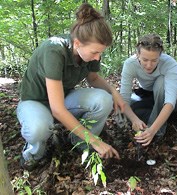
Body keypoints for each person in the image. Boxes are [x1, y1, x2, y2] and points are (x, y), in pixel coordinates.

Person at [17, 3, 125, 171]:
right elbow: (58, 109)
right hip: (35, 101)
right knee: (38, 129)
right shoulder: (54, 50)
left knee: (104, 99)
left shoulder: (90, 54)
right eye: (95, 52)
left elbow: (94, 79)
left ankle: (81, 143)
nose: (98, 57)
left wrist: (114, 92)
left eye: (101, 53)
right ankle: (33, 154)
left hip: (64, 97)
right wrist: (97, 141)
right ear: (77, 43)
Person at [120, 33, 177, 147]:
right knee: (127, 108)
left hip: (173, 99)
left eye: (154, 60)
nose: (149, 65)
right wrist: (134, 119)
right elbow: (124, 99)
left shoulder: (169, 64)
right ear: (137, 55)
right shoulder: (130, 64)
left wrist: (153, 129)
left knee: (161, 82)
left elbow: (170, 102)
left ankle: (157, 133)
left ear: (160, 55)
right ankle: (156, 121)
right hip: (148, 95)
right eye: (145, 59)